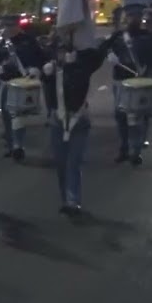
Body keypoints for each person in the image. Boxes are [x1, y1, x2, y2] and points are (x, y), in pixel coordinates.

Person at [43, 37, 108, 216]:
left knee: (74, 161)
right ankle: (66, 198)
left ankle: (73, 200)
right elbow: (50, 96)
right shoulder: (51, 70)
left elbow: (96, 58)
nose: (62, 55)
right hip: (57, 121)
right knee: (61, 163)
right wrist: (44, 75)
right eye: (59, 51)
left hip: (78, 121)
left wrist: (85, 49)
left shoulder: (81, 68)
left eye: (65, 51)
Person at [104, 3, 152, 165]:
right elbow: (103, 49)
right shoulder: (118, 36)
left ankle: (136, 150)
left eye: (136, 16)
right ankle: (124, 147)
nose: (133, 19)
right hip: (121, 79)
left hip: (141, 80)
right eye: (131, 16)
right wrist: (110, 55)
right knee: (121, 115)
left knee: (141, 115)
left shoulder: (149, 36)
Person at [0, 20, 48, 162]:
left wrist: (36, 69)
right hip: (7, 81)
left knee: (18, 115)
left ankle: (18, 145)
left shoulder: (29, 41)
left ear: (17, 27)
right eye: (7, 26)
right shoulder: (3, 43)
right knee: (6, 114)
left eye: (11, 25)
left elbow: (42, 58)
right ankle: (11, 144)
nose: (9, 28)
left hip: (23, 82)